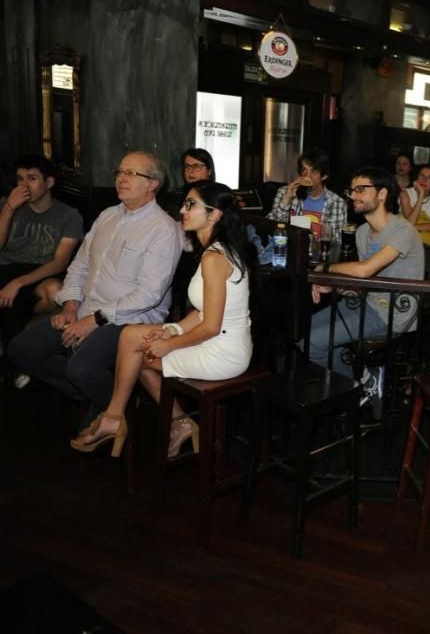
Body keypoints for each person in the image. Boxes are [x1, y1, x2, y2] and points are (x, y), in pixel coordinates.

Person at [68, 182, 254, 458]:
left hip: (223, 352)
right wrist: (172, 329)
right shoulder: (216, 251)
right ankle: (125, 418)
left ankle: (123, 420)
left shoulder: (215, 258)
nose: (182, 210)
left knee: (136, 356)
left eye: (191, 205)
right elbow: (203, 313)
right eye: (185, 203)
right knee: (131, 336)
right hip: (220, 338)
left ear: (215, 215)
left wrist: (171, 344)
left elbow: (212, 325)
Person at [8, 151, 183, 414]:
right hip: (85, 307)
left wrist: (93, 320)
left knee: (80, 368)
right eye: (120, 172)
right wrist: (69, 306)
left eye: (132, 173)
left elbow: (148, 295)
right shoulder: (107, 216)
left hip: (130, 320)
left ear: (153, 184)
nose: (121, 178)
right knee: (21, 349)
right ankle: (109, 398)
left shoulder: (164, 229)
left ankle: (113, 410)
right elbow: (79, 265)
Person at [310, 166, 424, 375]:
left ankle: (355, 390)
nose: (353, 195)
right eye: (352, 190)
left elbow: (364, 270)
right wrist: (336, 288)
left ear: (382, 194)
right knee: (303, 337)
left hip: (391, 315)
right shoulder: (362, 232)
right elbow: (366, 283)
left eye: (361, 189)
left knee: (313, 345)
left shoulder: (403, 229)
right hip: (365, 304)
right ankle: (359, 382)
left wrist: (325, 268)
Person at [0, 154, 84, 344]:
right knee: (12, 306)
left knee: (54, 290)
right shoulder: (6, 205)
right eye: (20, 179)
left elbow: (60, 262)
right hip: (6, 267)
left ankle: (20, 349)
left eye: (32, 178)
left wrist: (18, 283)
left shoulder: (69, 215)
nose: (24, 186)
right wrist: (9, 207)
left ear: (49, 182)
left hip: (39, 272)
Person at [267, 147, 347, 256]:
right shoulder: (284, 192)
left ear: (324, 176)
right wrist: (286, 200)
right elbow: (270, 229)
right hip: (288, 254)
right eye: (304, 170)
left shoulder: (337, 203)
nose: (307, 176)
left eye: (313, 171)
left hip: (319, 257)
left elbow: (337, 243)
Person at [399, 164, 430, 247]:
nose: (424, 180)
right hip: (404, 238)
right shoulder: (405, 194)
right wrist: (420, 196)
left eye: (429, 177)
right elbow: (410, 222)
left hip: (425, 239)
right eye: (421, 175)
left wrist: (414, 227)